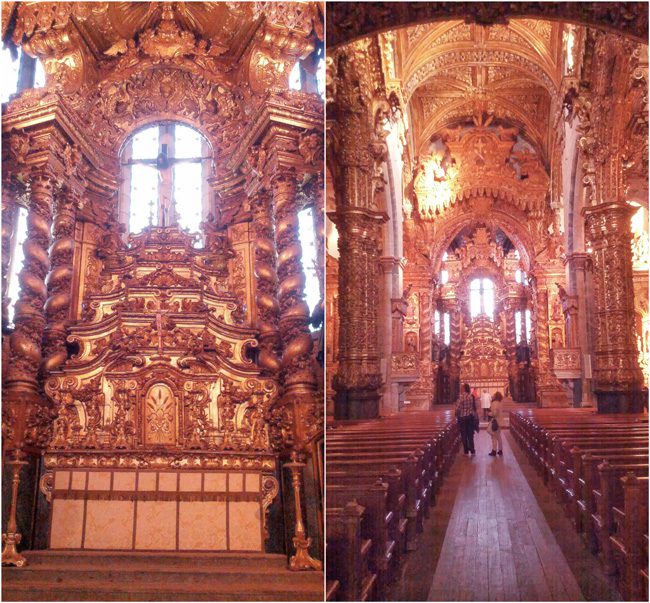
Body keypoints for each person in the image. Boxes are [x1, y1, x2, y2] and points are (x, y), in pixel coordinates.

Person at [455, 383, 477, 455]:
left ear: (464, 388)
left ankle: (466, 451)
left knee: (464, 435)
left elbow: (458, 408)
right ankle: (473, 450)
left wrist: (456, 414)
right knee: (470, 434)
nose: (461, 389)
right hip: (470, 417)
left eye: (461, 388)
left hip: (463, 418)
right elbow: (473, 406)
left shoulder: (461, 397)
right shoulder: (471, 396)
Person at [487, 391, 504, 457]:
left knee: (493, 436)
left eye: (494, 395)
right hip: (499, 422)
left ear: (495, 396)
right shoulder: (500, 403)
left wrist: (489, 413)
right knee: (498, 437)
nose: (492, 396)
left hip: (495, 422)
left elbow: (494, 413)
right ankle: (500, 450)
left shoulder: (494, 403)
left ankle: (494, 451)